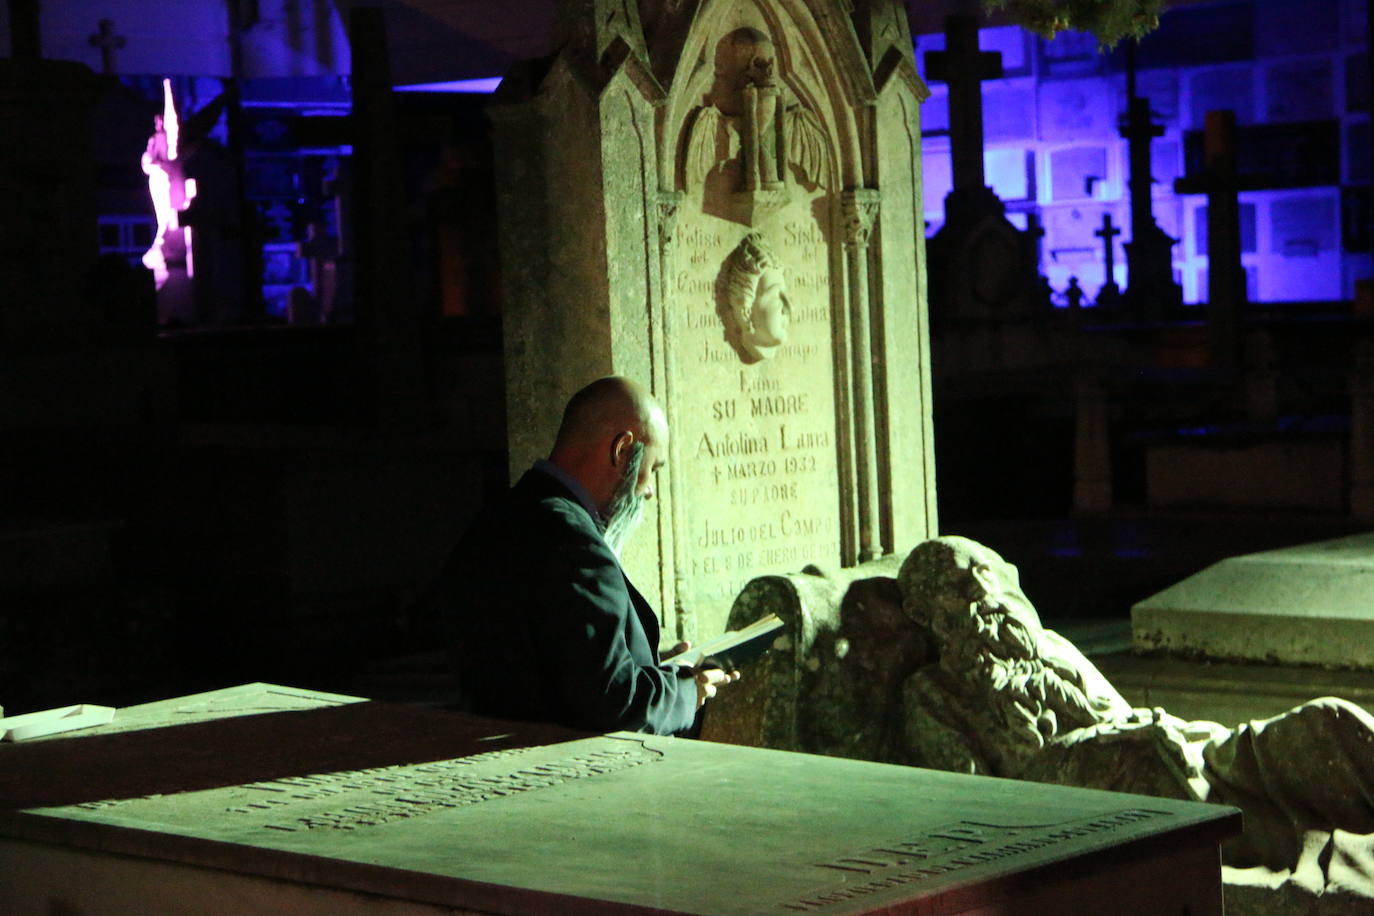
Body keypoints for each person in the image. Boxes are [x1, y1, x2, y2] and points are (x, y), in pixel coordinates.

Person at [441, 376, 738, 735]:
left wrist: (650, 667)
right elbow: (613, 704)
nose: (649, 492)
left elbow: (561, 665)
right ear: (622, 450)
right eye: (653, 470)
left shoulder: (500, 516)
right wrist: (689, 691)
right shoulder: (574, 544)